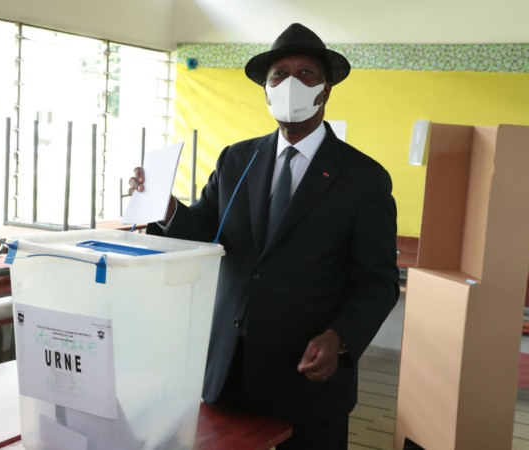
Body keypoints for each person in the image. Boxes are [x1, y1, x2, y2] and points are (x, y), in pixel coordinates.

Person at [130, 23, 399, 450]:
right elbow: (207, 230)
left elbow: (378, 281)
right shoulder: (238, 159)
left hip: (307, 374)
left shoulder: (363, 178)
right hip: (228, 370)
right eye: (279, 74)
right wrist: (165, 208)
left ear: (326, 90)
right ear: (266, 90)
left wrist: (341, 337)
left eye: (306, 74)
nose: (291, 83)